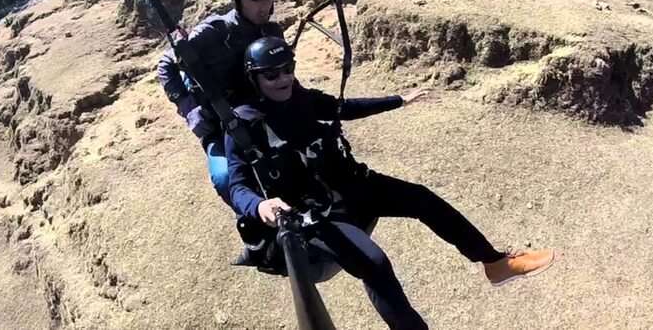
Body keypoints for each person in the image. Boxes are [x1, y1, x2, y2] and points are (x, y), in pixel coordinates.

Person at [227, 37, 555, 330]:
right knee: (375, 264)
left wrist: (398, 100)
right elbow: (237, 184)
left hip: (355, 186)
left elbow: (346, 108)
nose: (283, 79)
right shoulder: (244, 124)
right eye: (271, 74)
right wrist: (259, 205)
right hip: (319, 215)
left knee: (423, 200)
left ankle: (496, 263)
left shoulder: (303, 99)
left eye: (288, 69)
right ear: (254, 78)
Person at [157, 0, 282, 204]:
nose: (264, 6)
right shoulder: (214, 31)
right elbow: (166, 65)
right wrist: (187, 108)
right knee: (226, 178)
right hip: (217, 121)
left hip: (257, 115)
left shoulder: (272, 32)